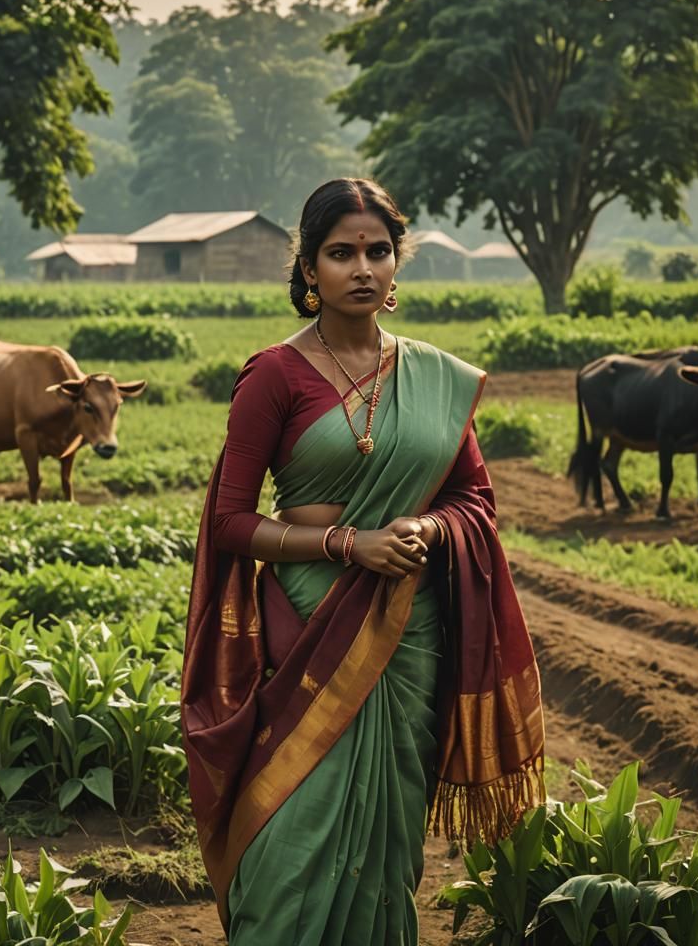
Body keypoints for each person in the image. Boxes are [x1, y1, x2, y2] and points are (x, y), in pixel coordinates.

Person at [181, 178, 545, 945]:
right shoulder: (274, 375)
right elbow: (230, 520)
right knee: (290, 837)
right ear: (309, 270)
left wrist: (424, 526)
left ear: (396, 262)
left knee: (386, 841)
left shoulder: (433, 378)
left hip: (407, 633)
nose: (362, 268)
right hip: (310, 625)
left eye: (378, 251)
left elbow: (474, 498)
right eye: (340, 253)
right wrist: (351, 544)